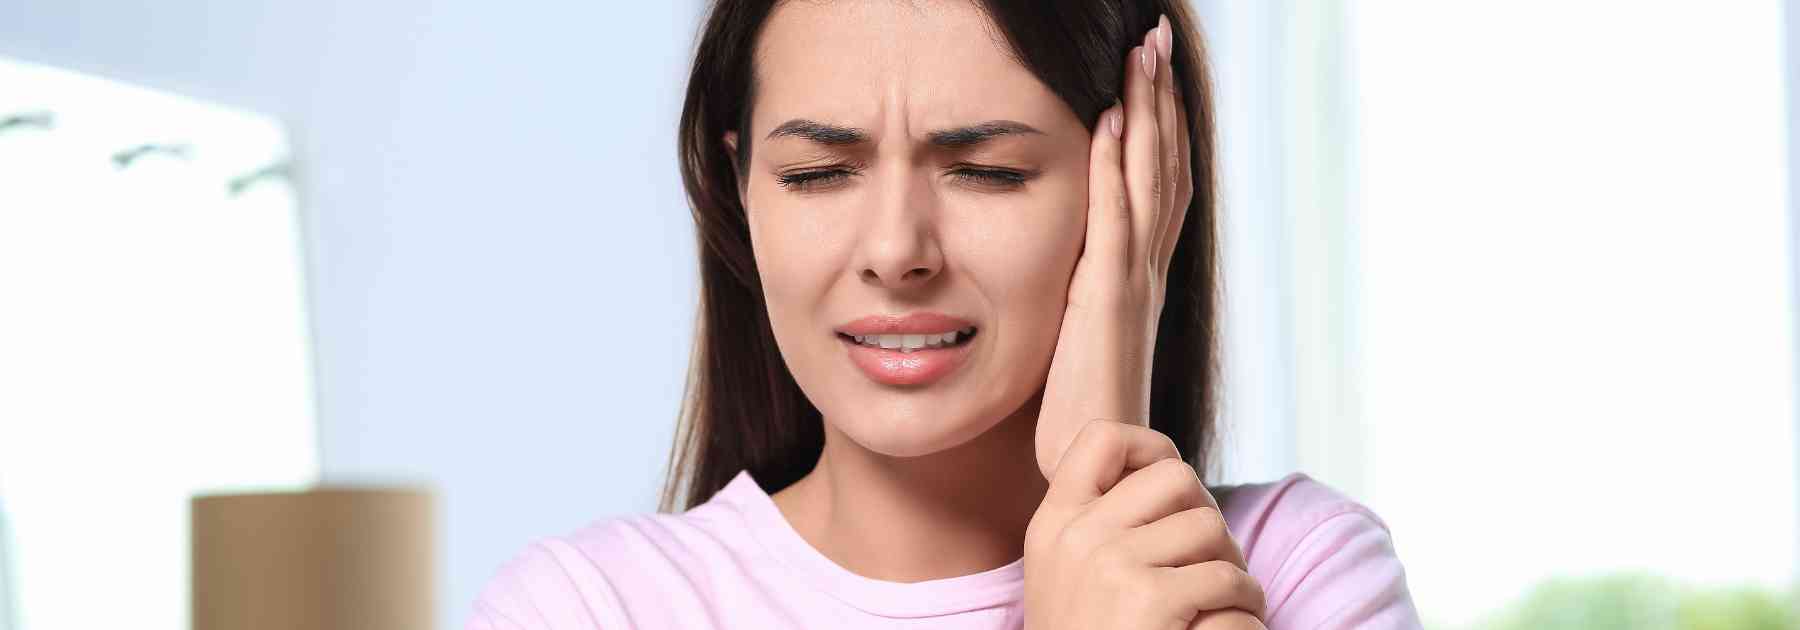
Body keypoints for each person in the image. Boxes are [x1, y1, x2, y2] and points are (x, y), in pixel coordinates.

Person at [467, 1, 1422, 628]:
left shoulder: (1298, 570)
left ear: (1142, 180)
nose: (895, 250)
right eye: (818, 173)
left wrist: (1098, 472)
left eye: (987, 171)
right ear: (737, 188)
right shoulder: (586, 608)